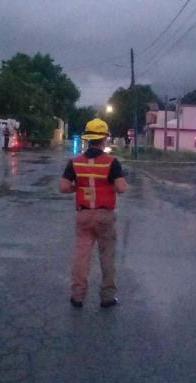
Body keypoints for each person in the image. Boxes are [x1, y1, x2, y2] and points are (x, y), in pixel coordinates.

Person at [59, 118, 127, 308]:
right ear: (104, 138)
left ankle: (77, 296)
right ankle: (107, 297)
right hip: (105, 216)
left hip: (84, 215)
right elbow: (121, 188)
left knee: (81, 257)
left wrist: (77, 188)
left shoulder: (75, 162)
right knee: (107, 257)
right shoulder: (111, 162)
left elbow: (63, 186)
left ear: (88, 138)